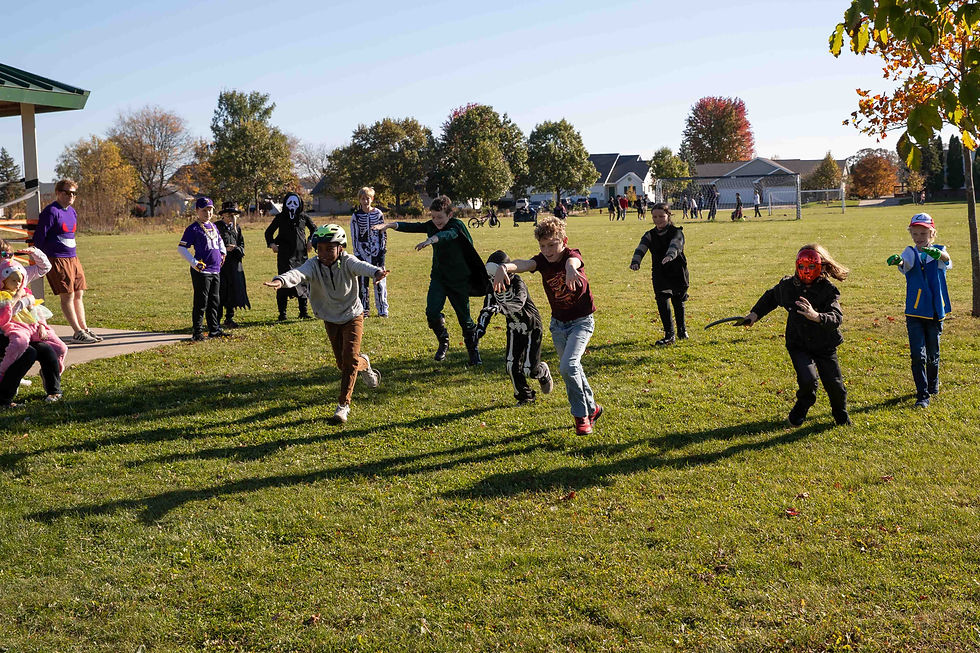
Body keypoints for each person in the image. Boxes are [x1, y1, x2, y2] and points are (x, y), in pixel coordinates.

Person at [491, 216, 602, 436]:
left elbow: (573, 262)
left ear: (564, 241)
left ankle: (580, 416)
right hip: (558, 325)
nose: (547, 251)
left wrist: (571, 270)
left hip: (581, 322)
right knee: (573, 368)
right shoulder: (542, 260)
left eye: (552, 245)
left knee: (568, 366)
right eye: (543, 246)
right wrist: (505, 267)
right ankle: (593, 408)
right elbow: (525, 264)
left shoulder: (571, 256)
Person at [264, 224, 385, 425]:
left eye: (329, 249)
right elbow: (297, 273)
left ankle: (343, 406)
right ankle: (363, 363)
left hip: (352, 315)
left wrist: (376, 272)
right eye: (319, 249)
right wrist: (281, 281)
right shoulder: (313, 264)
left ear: (340, 248)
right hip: (330, 318)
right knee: (343, 364)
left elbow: (361, 266)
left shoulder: (347, 261)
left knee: (349, 360)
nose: (324, 254)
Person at [742, 244, 851, 427]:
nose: (806, 271)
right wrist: (754, 314)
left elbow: (836, 317)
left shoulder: (828, 290)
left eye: (811, 266)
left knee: (835, 385)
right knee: (808, 380)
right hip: (798, 344)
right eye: (802, 266)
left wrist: (817, 316)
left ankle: (841, 415)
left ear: (821, 266)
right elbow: (771, 297)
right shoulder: (788, 286)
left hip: (824, 344)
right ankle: (801, 408)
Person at [374, 195, 489, 365]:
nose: (436, 221)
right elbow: (413, 226)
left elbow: (448, 235)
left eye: (440, 217)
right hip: (439, 278)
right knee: (432, 312)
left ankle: (474, 352)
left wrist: (431, 239)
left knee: (465, 319)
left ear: (450, 214)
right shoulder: (431, 225)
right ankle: (444, 342)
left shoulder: (456, 225)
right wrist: (390, 225)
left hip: (458, 280)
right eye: (433, 217)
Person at [886, 212, 952, 408]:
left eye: (923, 234)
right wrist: (898, 261)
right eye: (915, 234)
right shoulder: (909, 252)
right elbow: (905, 263)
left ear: (932, 233)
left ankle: (933, 384)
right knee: (917, 355)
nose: (919, 238)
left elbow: (947, 260)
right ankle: (922, 395)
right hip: (914, 312)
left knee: (932, 354)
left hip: (935, 311)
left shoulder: (939, 251)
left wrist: (938, 254)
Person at [475, 250, 554, 405]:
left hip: (531, 326)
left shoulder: (518, 283)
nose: (493, 280)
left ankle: (542, 371)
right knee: (511, 365)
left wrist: (500, 308)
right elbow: (487, 307)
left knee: (529, 369)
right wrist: (480, 329)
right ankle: (526, 396)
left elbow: (519, 302)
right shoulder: (492, 286)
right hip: (513, 327)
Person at [32, 178, 101, 343]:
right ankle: (77, 332)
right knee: (67, 295)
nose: (71, 196)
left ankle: (84, 329)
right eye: (67, 193)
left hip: (73, 257)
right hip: (57, 259)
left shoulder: (72, 212)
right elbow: (39, 238)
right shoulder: (51, 211)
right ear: (58, 193)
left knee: (79, 293)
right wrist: (39, 260)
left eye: (74, 193)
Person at [0, 242, 65, 405]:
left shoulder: (16, 271)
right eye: (2, 255)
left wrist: (35, 252)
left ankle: (54, 390)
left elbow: (44, 268)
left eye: (9, 255)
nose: (7, 259)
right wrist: (22, 299)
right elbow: (4, 314)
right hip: (4, 331)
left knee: (48, 349)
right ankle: (4, 398)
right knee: (27, 353)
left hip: (24, 327)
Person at [629, 202, 689, 346]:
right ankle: (669, 335)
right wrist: (636, 261)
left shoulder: (677, 232)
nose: (658, 220)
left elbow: (675, 245)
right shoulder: (650, 235)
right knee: (662, 301)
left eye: (661, 216)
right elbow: (641, 248)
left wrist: (670, 256)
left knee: (678, 301)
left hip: (677, 271)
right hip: (660, 272)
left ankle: (682, 331)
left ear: (668, 216)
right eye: (655, 217)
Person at [178, 197, 228, 341]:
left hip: (215, 269)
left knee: (214, 301)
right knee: (201, 302)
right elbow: (181, 248)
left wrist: (223, 252)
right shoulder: (193, 228)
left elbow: (219, 241)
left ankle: (214, 329)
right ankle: (197, 332)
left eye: (210, 210)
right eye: (204, 210)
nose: (208, 213)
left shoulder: (213, 226)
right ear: (197, 211)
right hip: (202, 271)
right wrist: (194, 263)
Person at [265, 192, 316, 321]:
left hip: (301, 255)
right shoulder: (280, 217)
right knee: (283, 282)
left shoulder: (304, 217)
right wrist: (272, 244)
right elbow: (269, 232)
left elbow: (314, 229)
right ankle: (282, 314)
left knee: (302, 282)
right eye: (290, 202)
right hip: (285, 255)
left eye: (295, 203)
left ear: (299, 204)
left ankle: (303, 312)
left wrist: (310, 241)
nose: (292, 205)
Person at [349, 187, 388, 318]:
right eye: (363, 199)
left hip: (377, 252)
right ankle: (364, 310)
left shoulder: (378, 213)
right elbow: (354, 236)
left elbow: (383, 233)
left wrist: (382, 251)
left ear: (372, 199)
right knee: (362, 283)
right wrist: (357, 254)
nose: (366, 201)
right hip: (362, 252)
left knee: (380, 281)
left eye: (368, 198)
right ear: (359, 200)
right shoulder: (356, 216)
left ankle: (382, 310)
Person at [214, 201, 250, 328]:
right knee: (220, 292)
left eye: (234, 214)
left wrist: (235, 249)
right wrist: (224, 249)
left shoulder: (237, 228)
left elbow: (242, 245)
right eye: (229, 214)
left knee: (233, 291)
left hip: (234, 264)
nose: (232, 217)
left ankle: (229, 318)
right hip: (221, 265)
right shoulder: (216, 227)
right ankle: (216, 320)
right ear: (223, 215)